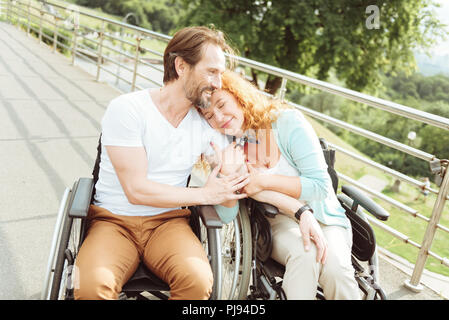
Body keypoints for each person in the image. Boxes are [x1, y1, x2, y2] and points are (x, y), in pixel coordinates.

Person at [73, 26, 250, 300]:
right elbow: (136, 190)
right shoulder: (128, 109)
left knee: (198, 282)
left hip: (168, 224)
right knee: (91, 288)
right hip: (114, 221)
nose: (218, 83)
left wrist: (235, 163)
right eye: (211, 71)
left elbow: (232, 167)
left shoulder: (204, 126)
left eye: (220, 74)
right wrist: (205, 194)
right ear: (181, 66)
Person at [198, 70, 361, 300]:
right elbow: (227, 215)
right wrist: (225, 176)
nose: (218, 117)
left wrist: (263, 181)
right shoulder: (232, 148)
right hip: (278, 220)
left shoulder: (287, 122)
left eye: (222, 104)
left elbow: (320, 186)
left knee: (337, 271)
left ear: (239, 96)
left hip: (326, 216)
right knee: (305, 253)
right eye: (209, 116)